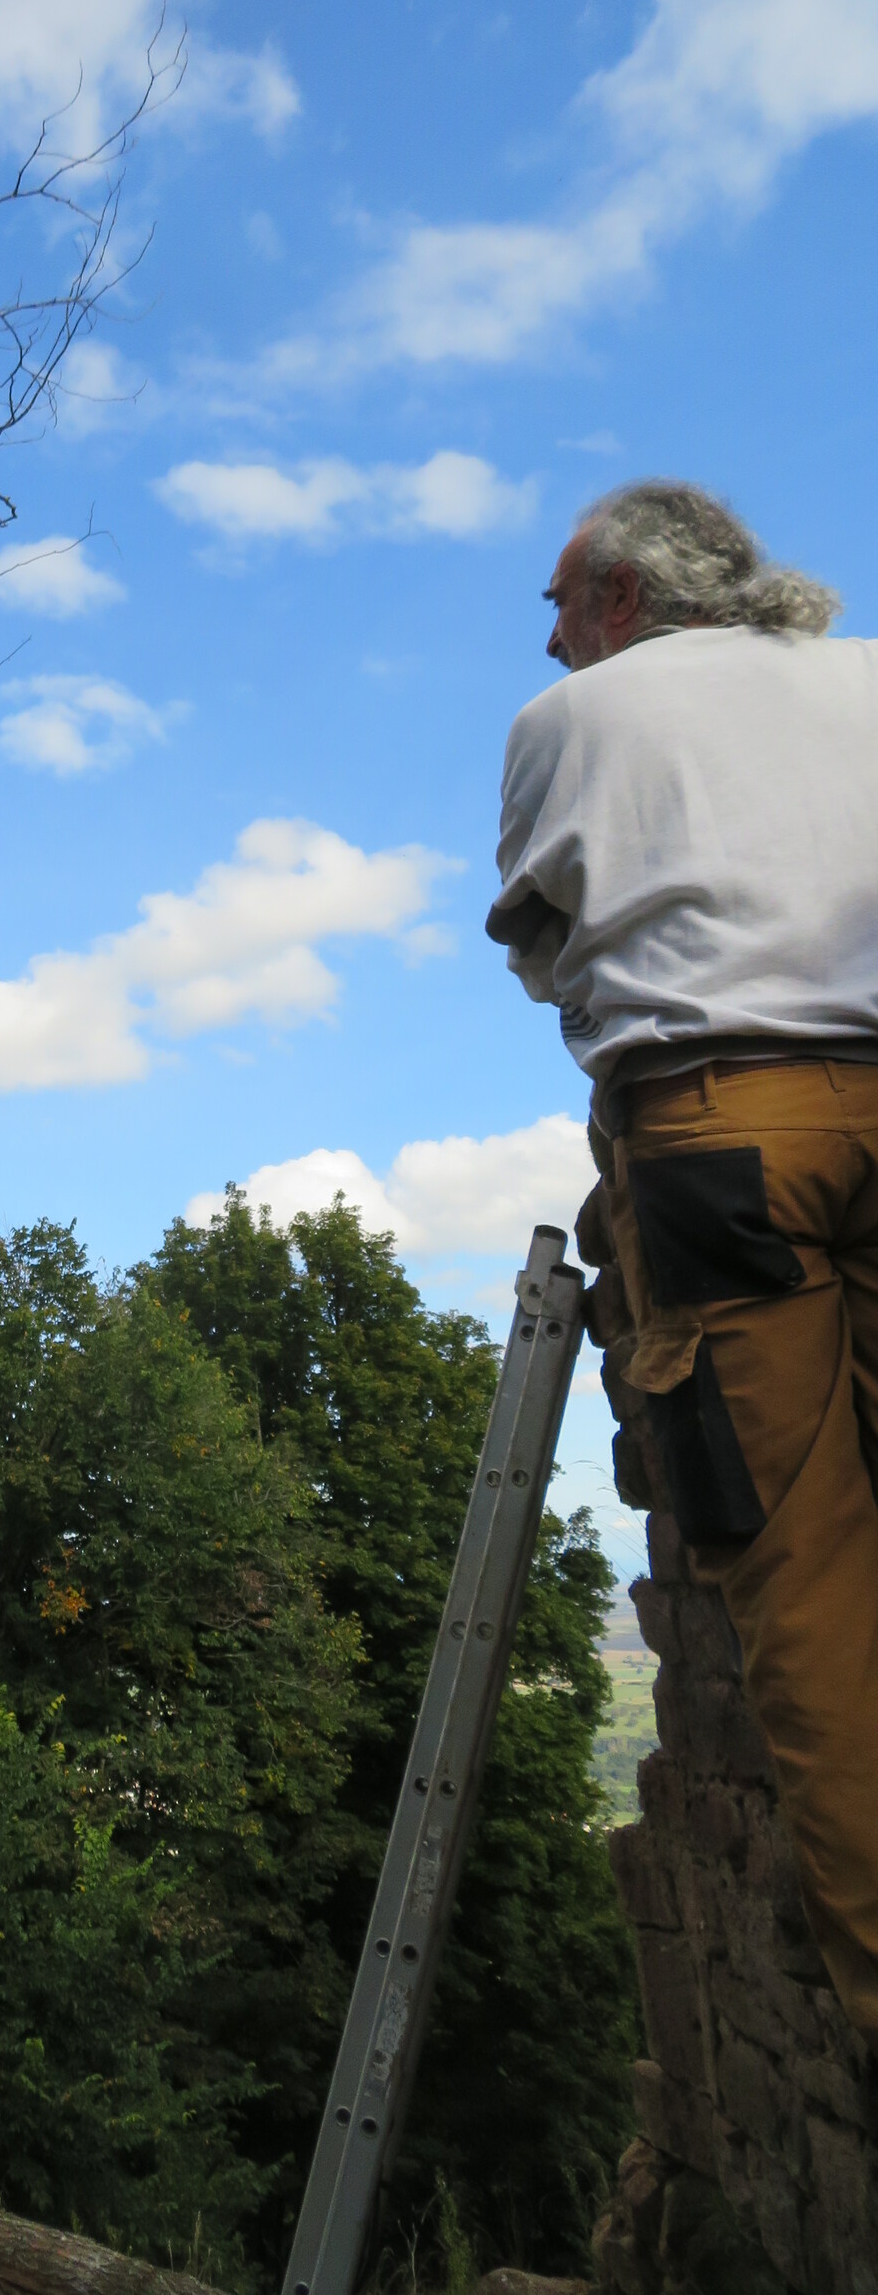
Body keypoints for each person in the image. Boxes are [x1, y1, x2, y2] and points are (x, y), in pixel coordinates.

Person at [487, 478, 878, 2041]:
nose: (549, 636)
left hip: (726, 1137)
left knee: (803, 1570)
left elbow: (542, 947)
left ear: (625, 597)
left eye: (559, 602)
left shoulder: (569, 721)